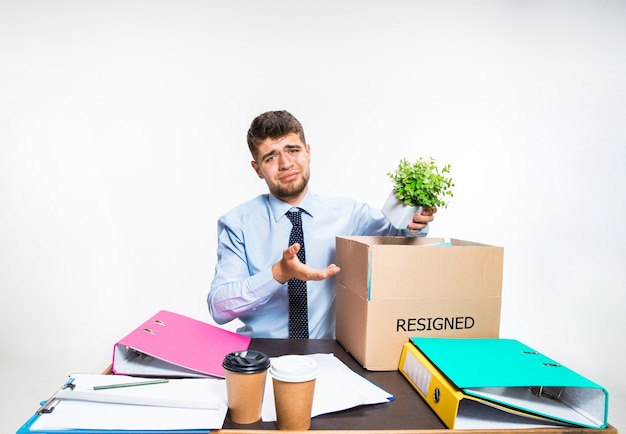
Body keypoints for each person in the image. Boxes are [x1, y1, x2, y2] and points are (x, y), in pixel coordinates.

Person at [208, 110, 436, 339]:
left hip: (329, 355)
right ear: (257, 169)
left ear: (308, 152)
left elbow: (399, 238)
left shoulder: (349, 214)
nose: (285, 164)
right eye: (270, 157)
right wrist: (279, 273)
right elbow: (219, 308)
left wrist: (415, 222)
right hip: (262, 355)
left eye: (293, 150)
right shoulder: (237, 224)